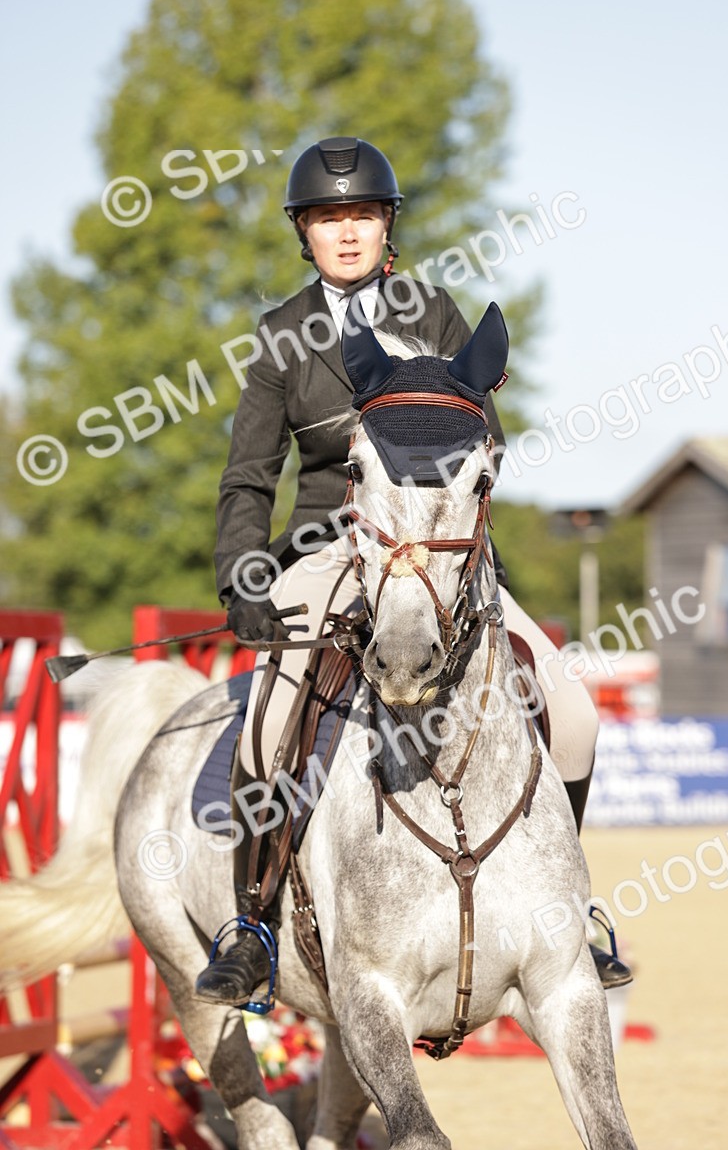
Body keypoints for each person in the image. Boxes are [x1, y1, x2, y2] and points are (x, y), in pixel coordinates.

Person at [195, 136, 631, 1007]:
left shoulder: (434, 314)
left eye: (360, 215)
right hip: (331, 550)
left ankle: (566, 907)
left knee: (574, 714)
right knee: (272, 711)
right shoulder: (283, 336)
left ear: (385, 223)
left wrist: (439, 515)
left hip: (438, 552)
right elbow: (250, 473)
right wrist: (242, 572)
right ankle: (252, 925)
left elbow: (488, 438)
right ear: (305, 234)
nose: (346, 233)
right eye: (327, 219)